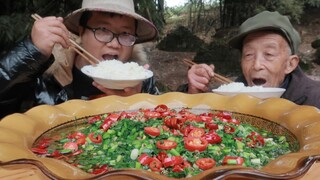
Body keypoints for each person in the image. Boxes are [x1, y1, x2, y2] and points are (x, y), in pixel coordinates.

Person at [0, 0, 159, 118]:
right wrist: (31, 51)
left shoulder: (141, 80)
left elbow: (165, 131)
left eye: (125, 34)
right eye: (103, 30)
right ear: (81, 32)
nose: (114, 43)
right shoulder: (46, 75)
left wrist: (138, 105)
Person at [179, 11, 320, 109]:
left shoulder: (313, 99)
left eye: (269, 54)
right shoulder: (231, 94)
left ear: (290, 64)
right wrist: (194, 93)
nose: (257, 65)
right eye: (249, 55)